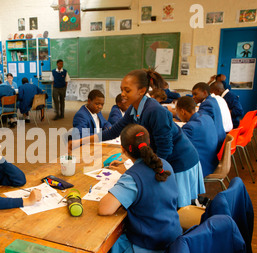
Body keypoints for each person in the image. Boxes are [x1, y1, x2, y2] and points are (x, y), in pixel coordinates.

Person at [69, 69, 205, 208]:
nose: (122, 94)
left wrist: (146, 172)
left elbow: (165, 149)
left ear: (141, 91)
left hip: (179, 161)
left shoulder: (155, 111)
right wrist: (80, 141)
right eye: (122, 89)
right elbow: (113, 131)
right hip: (165, 159)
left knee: (177, 206)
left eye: (127, 90)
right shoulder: (133, 109)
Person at [97, 124, 182, 253]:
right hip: (172, 241)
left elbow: (105, 209)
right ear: (149, 142)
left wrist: (128, 176)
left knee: (99, 249)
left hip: (148, 252)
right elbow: (149, 181)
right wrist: (127, 172)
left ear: (123, 150)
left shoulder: (132, 179)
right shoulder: (164, 164)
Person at [176, 96, 219, 178]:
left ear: (182, 111)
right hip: (212, 162)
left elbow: (178, 146)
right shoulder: (206, 118)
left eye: (177, 112)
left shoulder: (190, 127)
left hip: (201, 168)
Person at [192, 82, 226, 150]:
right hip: (218, 137)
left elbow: (198, 120)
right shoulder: (211, 100)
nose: (193, 97)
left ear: (204, 93)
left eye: (195, 94)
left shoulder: (207, 103)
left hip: (215, 142)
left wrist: (180, 115)